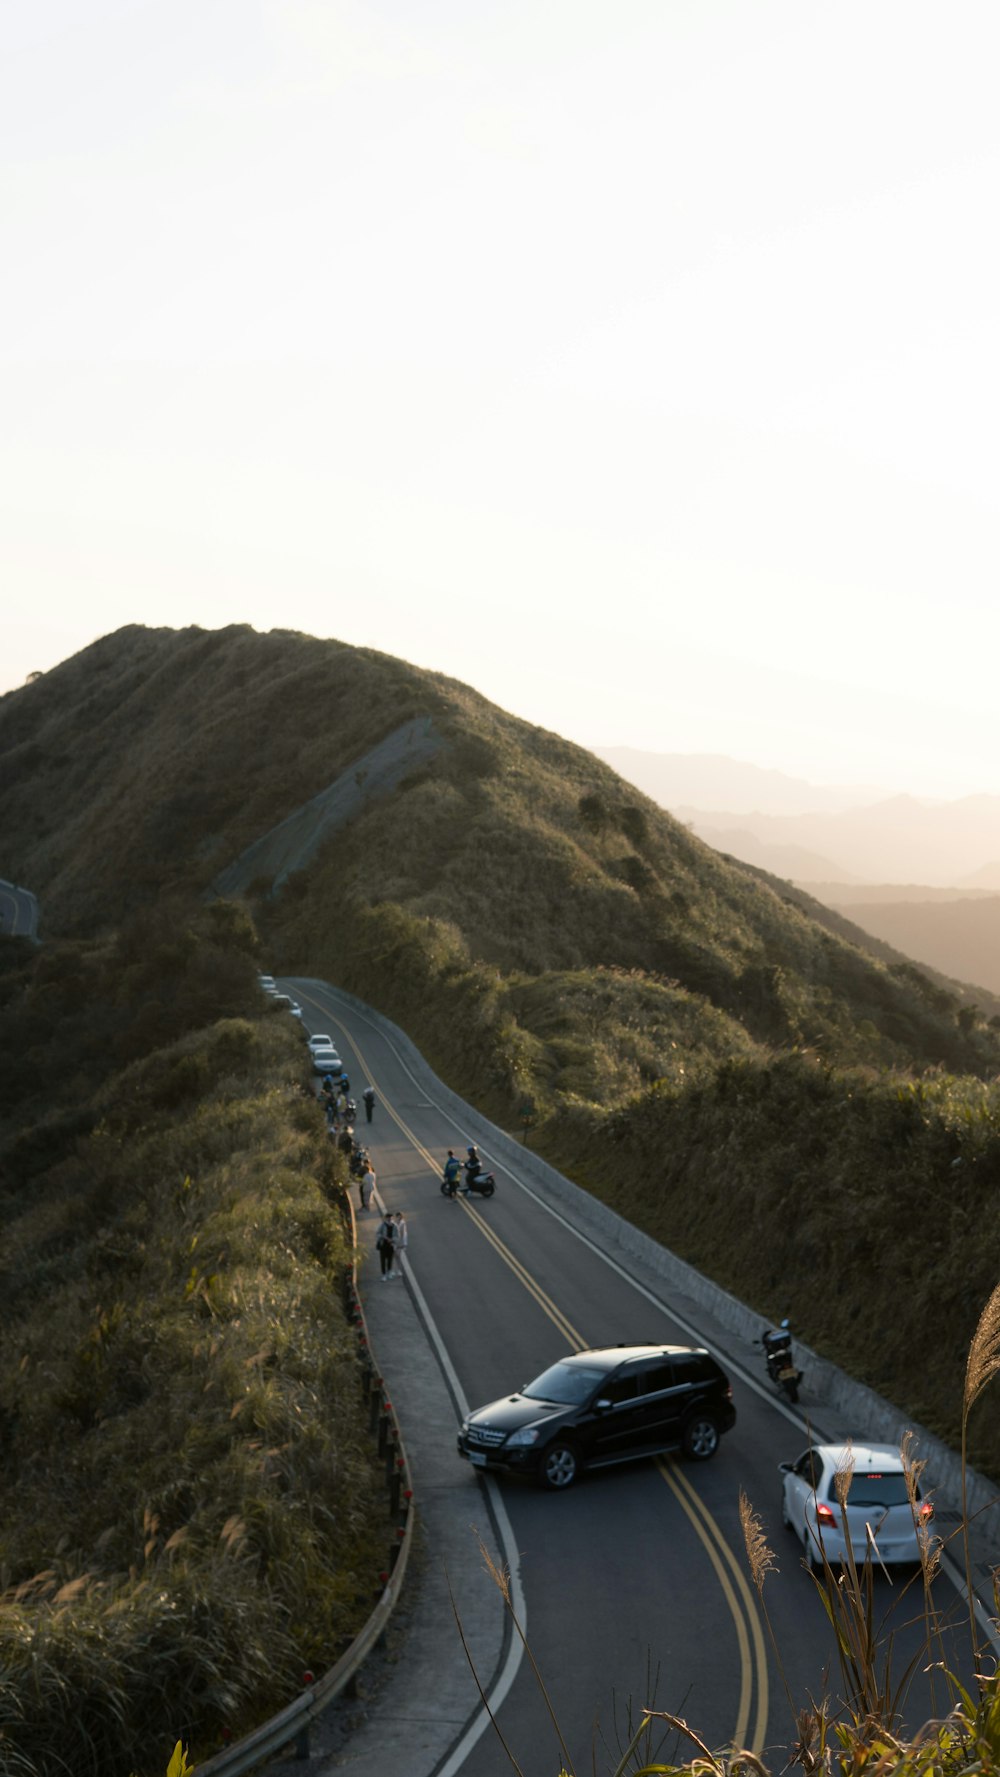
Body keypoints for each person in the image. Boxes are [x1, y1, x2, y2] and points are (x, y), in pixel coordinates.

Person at [376, 1211, 397, 1280]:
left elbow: (397, 1236)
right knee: (383, 1260)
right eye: (388, 1218)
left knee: (390, 1260)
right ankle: (384, 1274)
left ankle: (389, 1272)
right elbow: (377, 1233)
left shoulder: (395, 1226)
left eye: (390, 1218)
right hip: (383, 1245)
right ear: (386, 1218)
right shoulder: (382, 1225)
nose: (389, 1219)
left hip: (391, 1245)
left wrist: (392, 1240)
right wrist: (384, 1237)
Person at [391, 1211, 408, 1278]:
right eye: (397, 1216)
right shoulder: (393, 1223)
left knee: (398, 1257)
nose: (398, 1218)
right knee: (392, 1257)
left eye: (400, 1217)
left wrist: (403, 1244)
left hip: (399, 1243)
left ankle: (398, 1270)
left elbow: (403, 1234)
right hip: (393, 1242)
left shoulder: (403, 1223)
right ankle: (392, 1271)